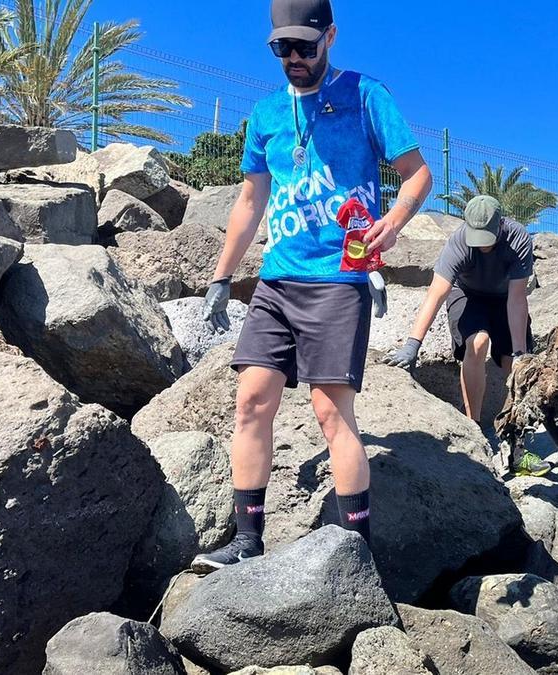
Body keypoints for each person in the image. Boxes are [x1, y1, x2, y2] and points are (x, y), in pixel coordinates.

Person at [194, 0, 433, 571]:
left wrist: (391, 224)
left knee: (330, 413)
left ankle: (359, 555)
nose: (295, 57)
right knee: (251, 401)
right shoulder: (266, 114)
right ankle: (247, 540)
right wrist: (222, 277)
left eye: (306, 45)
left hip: (338, 278)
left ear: (331, 36)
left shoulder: (366, 96)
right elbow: (250, 201)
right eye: (283, 48)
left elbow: (418, 174)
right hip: (277, 280)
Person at [384, 196, 550, 477]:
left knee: (515, 364)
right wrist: (413, 344)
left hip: (505, 299)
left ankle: (516, 446)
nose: (481, 243)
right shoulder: (459, 242)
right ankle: (474, 432)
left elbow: (517, 298)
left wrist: (521, 352)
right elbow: (437, 292)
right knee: (478, 341)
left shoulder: (518, 240)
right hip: (467, 295)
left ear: (500, 225)